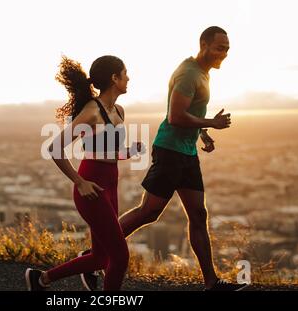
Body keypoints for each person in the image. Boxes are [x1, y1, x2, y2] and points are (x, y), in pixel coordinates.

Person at [79, 26, 248, 291]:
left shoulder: (202, 73)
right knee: (149, 212)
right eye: (219, 48)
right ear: (203, 44)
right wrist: (211, 123)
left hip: (187, 152)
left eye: (227, 48)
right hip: (170, 150)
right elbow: (175, 117)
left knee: (198, 213)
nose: (224, 53)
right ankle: (91, 256)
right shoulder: (188, 74)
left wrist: (202, 133)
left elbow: (189, 111)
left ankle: (211, 282)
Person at [25, 55, 144, 291]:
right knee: (120, 257)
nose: (128, 77)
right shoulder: (92, 112)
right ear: (114, 78)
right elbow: (54, 148)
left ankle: (40, 279)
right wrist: (79, 182)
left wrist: (128, 152)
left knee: (101, 258)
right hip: (92, 185)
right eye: (125, 72)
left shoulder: (119, 111)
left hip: (111, 183)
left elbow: (109, 152)